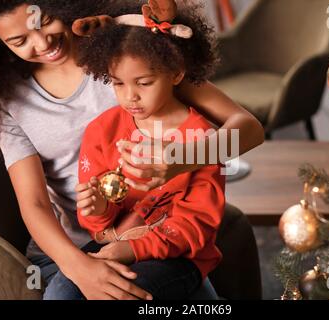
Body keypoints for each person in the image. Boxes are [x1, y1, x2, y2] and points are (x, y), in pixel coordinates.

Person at [0, 0, 264, 300]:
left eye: (45, 20)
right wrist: (80, 267)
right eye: (19, 40)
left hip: (162, 230)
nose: (42, 42)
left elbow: (249, 129)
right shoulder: (7, 99)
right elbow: (35, 204)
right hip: (76, 245)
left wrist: (178, 161)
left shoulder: (124, 51)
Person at [66, 0, 226, 300]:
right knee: (63, 294)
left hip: (180, 255)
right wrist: (99, 211)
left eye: (144, 82)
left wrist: (132, 249)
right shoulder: (102, 130)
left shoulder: (202, 138)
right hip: (115, 241)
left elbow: (197, 225)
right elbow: (98, 226)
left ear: (176, 73)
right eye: (117, 84)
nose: (130, 97)